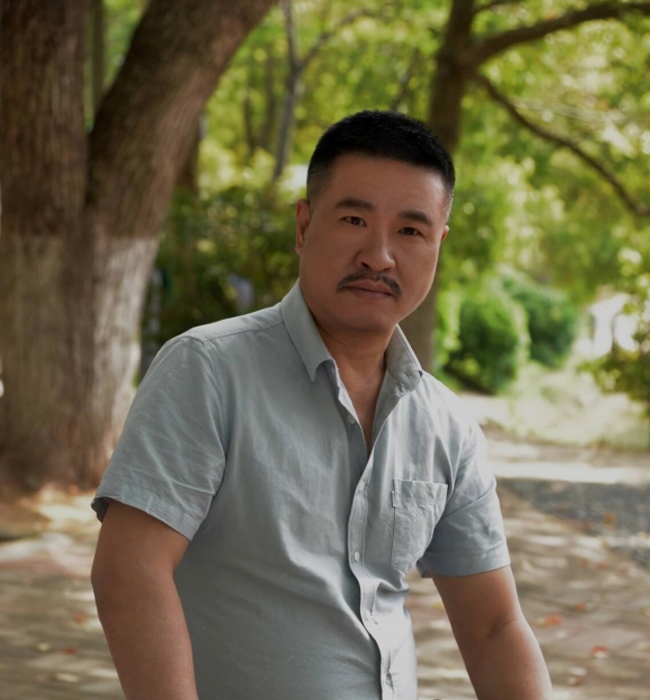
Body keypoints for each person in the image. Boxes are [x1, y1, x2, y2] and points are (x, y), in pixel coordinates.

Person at [91, 110, 553, 700]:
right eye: (354, 219)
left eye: (410, 231)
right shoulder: (207, 371)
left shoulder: (447, 425)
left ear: (438, 244)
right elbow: (130, 573)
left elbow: (494, 629)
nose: (379, 256)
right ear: (304, 226)